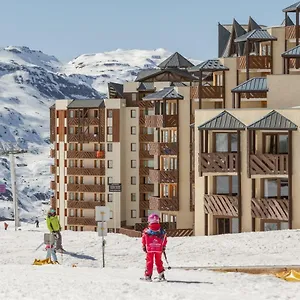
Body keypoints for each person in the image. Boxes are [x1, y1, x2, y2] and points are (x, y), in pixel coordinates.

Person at [142, 213, 167, 281]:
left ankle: (148, 276)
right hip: (159, 249)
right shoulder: (162, 231)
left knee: (149, 261)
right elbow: (164, 239)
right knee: (158, 261)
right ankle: (161, 274)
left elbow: (144, 239)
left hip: (150, 249)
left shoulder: (146, 231)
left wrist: (144, 246)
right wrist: (163, 246)